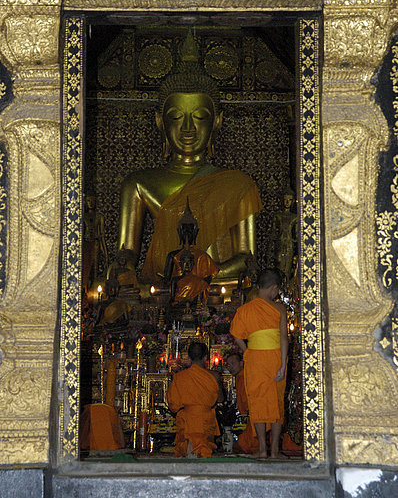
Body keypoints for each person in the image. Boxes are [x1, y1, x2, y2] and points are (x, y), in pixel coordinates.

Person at [117, 29, 262, 284]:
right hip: (162, 287)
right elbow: (127, 251)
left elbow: (246, 256)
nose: (187, 128)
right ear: (160, 122)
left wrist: (204, 276)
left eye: (199, 117)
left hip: (218, 286)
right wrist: (123, 268)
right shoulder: (139, 184)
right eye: (176, 116)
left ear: (217, 121)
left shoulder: (239, 185)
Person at [230, 268, 288, 459]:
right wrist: (282, 364)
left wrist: (246, 351)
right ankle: (274, 451)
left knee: (258, 403)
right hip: (275, 358)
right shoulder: (280, 308)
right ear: (274, 288)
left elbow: (236, 335)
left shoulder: (245, 309)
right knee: (276, 402)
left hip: (254, 359)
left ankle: (262, 449)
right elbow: (284, 339)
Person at [167, 341, 222, 458]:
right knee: (204, 452)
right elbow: (220, 399)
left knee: (189, 453)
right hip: (206, 420)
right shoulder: (214, 376)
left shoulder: (180, 377)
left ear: (189, 357)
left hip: (187, 421)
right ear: (206, 357)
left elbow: (173, 404)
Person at [226, 353, 258, 455]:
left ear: (241, 363)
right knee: (242, 445)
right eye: (228, 365)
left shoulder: (246, 376)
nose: (230, 367)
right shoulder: (239, 377)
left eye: (233, 363)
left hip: (254, 413)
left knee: (246, 445)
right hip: (248, 415)